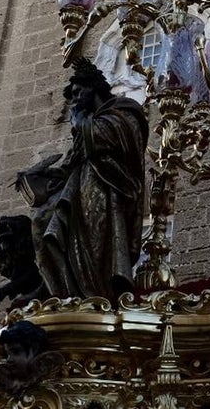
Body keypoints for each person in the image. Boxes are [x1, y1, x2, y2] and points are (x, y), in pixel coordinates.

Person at [21, 58, 147, 299]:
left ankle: (95, 293)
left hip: (107, 186)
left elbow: (120, 140)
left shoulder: (123, 111)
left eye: (79, 92)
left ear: (93, 88)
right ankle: (64, 293)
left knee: (95, 240)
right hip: (78, 185)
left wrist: (81, 124)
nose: (76, 99)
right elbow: (71, 163)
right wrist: (39, 177)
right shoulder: (87, 122)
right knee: (41, 223)